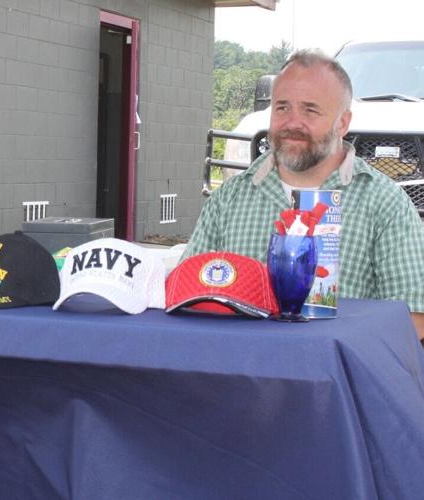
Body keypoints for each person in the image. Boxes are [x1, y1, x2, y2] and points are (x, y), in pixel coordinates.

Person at [182, 49, 424, 341]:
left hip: (334, 380)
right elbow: (188, 295)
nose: (292, 122)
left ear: (343, 123)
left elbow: (414, 318)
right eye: (282, 107)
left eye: (310, 109)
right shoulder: (230, 198)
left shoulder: (385, 204)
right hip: (241, 375)